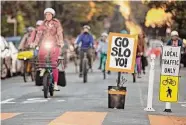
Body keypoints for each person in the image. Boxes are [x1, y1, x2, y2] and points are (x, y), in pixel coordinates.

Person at [32, 8, 64, 91]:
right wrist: (35, 43)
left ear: (52, 15)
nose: (47, 16)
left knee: (54, 63)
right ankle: (42, 68)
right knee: (40, 54)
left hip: (55, 44)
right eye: (46, 14)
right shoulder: (43, 24)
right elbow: (38, 34)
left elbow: (59, 33)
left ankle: (56, 84)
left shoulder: (56, 23)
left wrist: (61, 42)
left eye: (49, 14)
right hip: (45, 43)